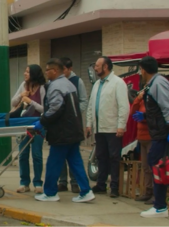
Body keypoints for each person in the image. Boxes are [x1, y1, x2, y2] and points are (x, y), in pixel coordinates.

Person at [134, 56, 169, 218]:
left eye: (140, 70)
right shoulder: (154, 84)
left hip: (164, 132)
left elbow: (167, 108)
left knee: (155, 163)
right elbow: (158, 110)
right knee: (158, 163)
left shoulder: (158, 84)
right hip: (160, 131)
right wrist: (145, 117)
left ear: (143, 70)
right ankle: (161, 204)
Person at [33, 58, 95, 203]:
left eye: (47, 70)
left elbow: (55, 108)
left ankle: (50, 193)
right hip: (73, 131)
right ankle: (86, 191)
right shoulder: (68, 84)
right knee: (76, 162)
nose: (46, 72)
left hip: (62, 132)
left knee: (53, 163)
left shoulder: (55, 86)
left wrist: (42, 121)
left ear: (55, 71)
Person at [86, 56, 129, 198]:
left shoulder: (118, 83)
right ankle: (101, 184)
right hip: (100, 128)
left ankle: (115, 187)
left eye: (97, 66)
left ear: (105, 67)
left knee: (114, 157)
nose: (95, 68)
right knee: (101, 156)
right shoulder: (97, 84)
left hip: (113, 128)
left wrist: (121, 126)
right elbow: (91, 105)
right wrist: (89, 124)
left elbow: (124, 106)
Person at [10, 64, 46, 194]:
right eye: (25, 71)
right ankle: (24, 183)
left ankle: (38, 183)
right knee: (23, 154)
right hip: (23, 124)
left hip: (37, 125)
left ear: (34, 74)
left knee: (37, 154)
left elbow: (44, 109)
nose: (25, 74)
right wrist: (21, 96)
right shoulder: (23, 85)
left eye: (28, 72)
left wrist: (31, 102)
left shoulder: (42, 88)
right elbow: (13, 103)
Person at [58, 57, 89, 193]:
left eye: (63, 69)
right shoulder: (56, 82)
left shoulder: (77, 81)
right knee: (60, 154)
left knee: (73, 154)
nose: (61, 71)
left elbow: (83, 100)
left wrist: (75, 113)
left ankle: (75, 182)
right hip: (59, 124)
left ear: (70, 69)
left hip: (73, 124)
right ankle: (62, 182)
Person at [129, 86, 153, 203]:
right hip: (141, 138)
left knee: (152, 166)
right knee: (145, 166)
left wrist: (144, 118)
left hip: (151, 137)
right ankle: (148, 191)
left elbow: (154, 117)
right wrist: (138, 99)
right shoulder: (142, 100)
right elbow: (133, 112)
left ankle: (155, 193)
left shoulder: (152, 101)